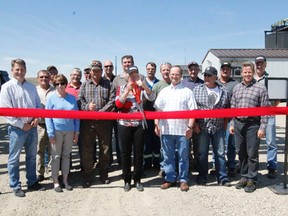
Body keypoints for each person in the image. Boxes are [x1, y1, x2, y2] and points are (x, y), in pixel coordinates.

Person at [0, 58, 45, 197]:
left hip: (32, 127)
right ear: (12, 70)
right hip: (16, 129)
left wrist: (37, 118)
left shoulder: (31, 87)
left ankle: (31, 182)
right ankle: (15, 185)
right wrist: (21, 125)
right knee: (14, 158)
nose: (20, 72)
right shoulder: (7, 87)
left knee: (31, 156)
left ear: (25, 70)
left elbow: (38, 105)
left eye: (22, 69)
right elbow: (5, 110)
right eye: (17, 69)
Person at [154, 65, 197, 192]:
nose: (174, 76)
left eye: (177, 74)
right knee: (168, 156)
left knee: (183, 156)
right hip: (166, 130)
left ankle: (183, 180)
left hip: (182, 131)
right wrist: (156, 124)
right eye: (172, 74)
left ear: (181, 75)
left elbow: (193, 111)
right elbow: (158, 110)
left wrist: (190, 127)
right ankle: (170, 178)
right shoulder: (164, 91)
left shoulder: (187, 91)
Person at [230, 61, 269, 193]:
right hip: (238, 124)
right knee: (241, 152)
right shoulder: (236, 88)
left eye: (249, 72)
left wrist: (262, 128)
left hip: (253, 124)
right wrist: (232, 124)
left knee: (252, 153)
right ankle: (244, 176)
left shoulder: (260, 88)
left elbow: (264, 110)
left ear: (253, 73)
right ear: (241, 73)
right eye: (245, 72)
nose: (247, 74)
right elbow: (233, 107)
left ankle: (252, 179)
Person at [115, 66, 156, 192]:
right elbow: (118, 104)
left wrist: (143, 86)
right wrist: (127, 91)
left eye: (135, 74)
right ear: (126, 76)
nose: (133, 76)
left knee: (139, 154)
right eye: (130, 74)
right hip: (124, 124)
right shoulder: (121, 88)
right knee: (125, 153)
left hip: (138, 124)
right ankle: (127, 180)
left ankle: (137, 179)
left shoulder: (141, 87)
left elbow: (152, 97)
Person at [78, 62, 115, 187]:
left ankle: (103, 174)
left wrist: (101, 113)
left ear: (101, 71)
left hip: (104, 122)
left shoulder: (108, 84)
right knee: (87, 149)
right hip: (88, 123)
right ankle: (88, 175)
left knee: (105, 149)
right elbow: (79, 101)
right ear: (91, 72)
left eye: (98, 70)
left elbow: (112, 101)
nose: (96, 73)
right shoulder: (84, 85)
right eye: (93, 71)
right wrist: (88, 107)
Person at [193, 66, 231, 186]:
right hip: (202, 127)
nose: (206, 77)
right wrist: (194, 125)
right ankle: (202, 176)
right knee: (202, 153)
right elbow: (192, 109)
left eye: (209, 75)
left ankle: (222, 177)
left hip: (218, 127)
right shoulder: (197, 90)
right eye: (205, 75)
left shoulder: (224, 91)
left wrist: (225, 124)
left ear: (216, 77)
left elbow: (228, 109)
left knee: (220, 152)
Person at [45, 74, 80, 192]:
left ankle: (65, 180)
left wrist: (77, 132)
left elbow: (77, 117)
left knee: (66, 156)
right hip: (56, 131)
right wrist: (50, 133)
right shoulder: (50, 97)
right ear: (54, 85)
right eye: (57, 84)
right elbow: (47, 116)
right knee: (55, 156)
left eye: (62, 83)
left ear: (66, 84)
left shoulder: (71, 98)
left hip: (70, 131)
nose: (60, 86)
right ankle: (55, 181)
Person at [254, 55, 278, 179]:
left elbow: (277, 98)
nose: (259, 65)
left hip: (268, 114)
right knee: (253, 142)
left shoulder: (270, 79)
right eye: (257, 63)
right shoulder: (250, 79)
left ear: (265, 64)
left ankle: (272, 167)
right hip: (254, 116)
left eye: (261, 63)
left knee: (271, 142)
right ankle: (253, 166)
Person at [216, 62, 239, 177]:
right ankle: (218, 166)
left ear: (230, 71)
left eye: (227, 69)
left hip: (230, 118)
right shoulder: (215, 83)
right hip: (217, 119)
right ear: (220, 70)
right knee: (218, 144)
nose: (225, 71)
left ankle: (231, 165)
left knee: (231, 143)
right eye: (223, 69)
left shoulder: (235, 84)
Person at [182, 61, 204, 172]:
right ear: (188, 71)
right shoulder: (183, 83)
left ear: (198, 71)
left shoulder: (203, 83)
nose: (193, 71)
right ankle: (188, 164)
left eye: (195, 69)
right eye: (191, 69)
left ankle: (198, 164)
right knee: (186, 144)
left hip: (199, 119)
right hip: (186, 119)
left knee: (198, 144)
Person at [36, 70, 55, 182]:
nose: (44, 79)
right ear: (38, 78)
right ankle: (40, 172)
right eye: (41, 77)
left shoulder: (54, 90)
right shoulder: (34, 90)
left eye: (46, 77)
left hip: (52, 124)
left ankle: (53, 171)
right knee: (39, 149)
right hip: (40, 124)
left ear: (50, 78)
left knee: (53, 150)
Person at [142, 62, 160, 170]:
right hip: (144, 115)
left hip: (157, 115)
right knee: (146, 139)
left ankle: (157, 162)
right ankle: (147, 163)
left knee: (157, 139)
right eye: (148, 69)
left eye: (152, 69)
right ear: (146, 70)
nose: (150, 70)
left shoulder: (159, 83)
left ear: (155, 70)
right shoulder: (142, 83)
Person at [103, 60, 120, 167]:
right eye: (106, 66)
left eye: (110, 66)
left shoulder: (117, 79)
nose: (108, 68)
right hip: (105, 114)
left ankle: (120, 161)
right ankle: (107, 161)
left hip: (117, 113)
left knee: (119, 139)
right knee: (106, 139)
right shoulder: (101, 79)